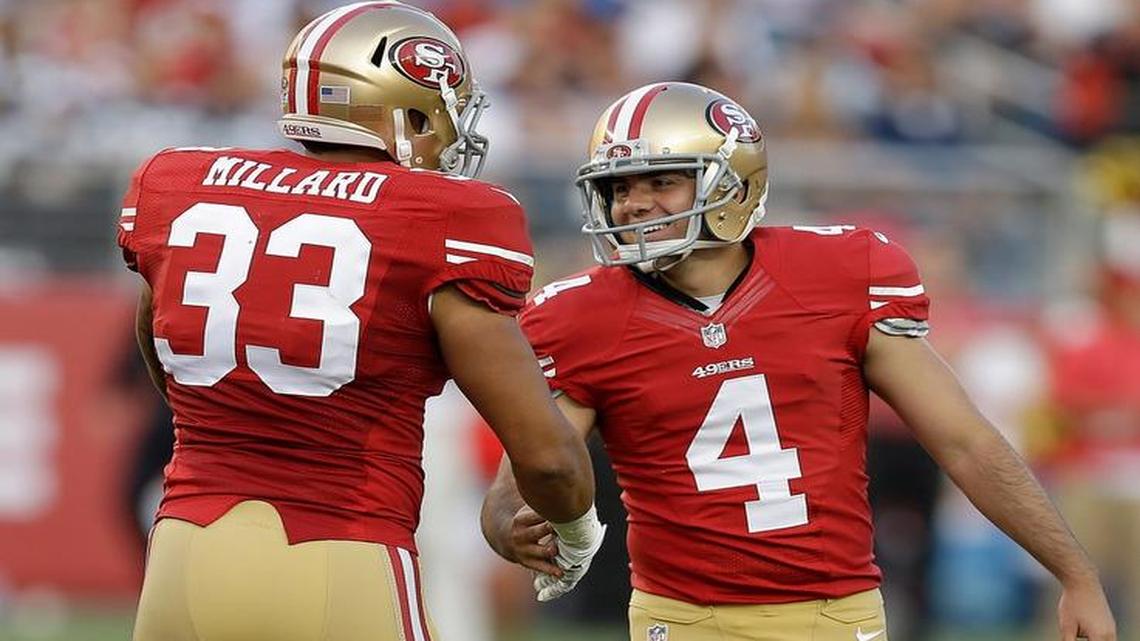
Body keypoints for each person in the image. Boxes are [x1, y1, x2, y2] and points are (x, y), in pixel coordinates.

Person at [480, 81, 1116, 641]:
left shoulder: (837, 275)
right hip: (679, 617)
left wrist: (1075, 572)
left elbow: (966, 442)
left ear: (732, 183)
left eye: (661, 181)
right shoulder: (579, 316)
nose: (634, 205)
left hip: (834, 613)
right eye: (620, 187)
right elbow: (532, 466)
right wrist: (508, 523)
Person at [118, 3, 603, 641]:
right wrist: (575, 529)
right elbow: (548, 460)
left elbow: (160, 350)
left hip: (183, 553)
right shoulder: (439, 216)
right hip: (340, 552)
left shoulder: (181, 182)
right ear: (406, 108)